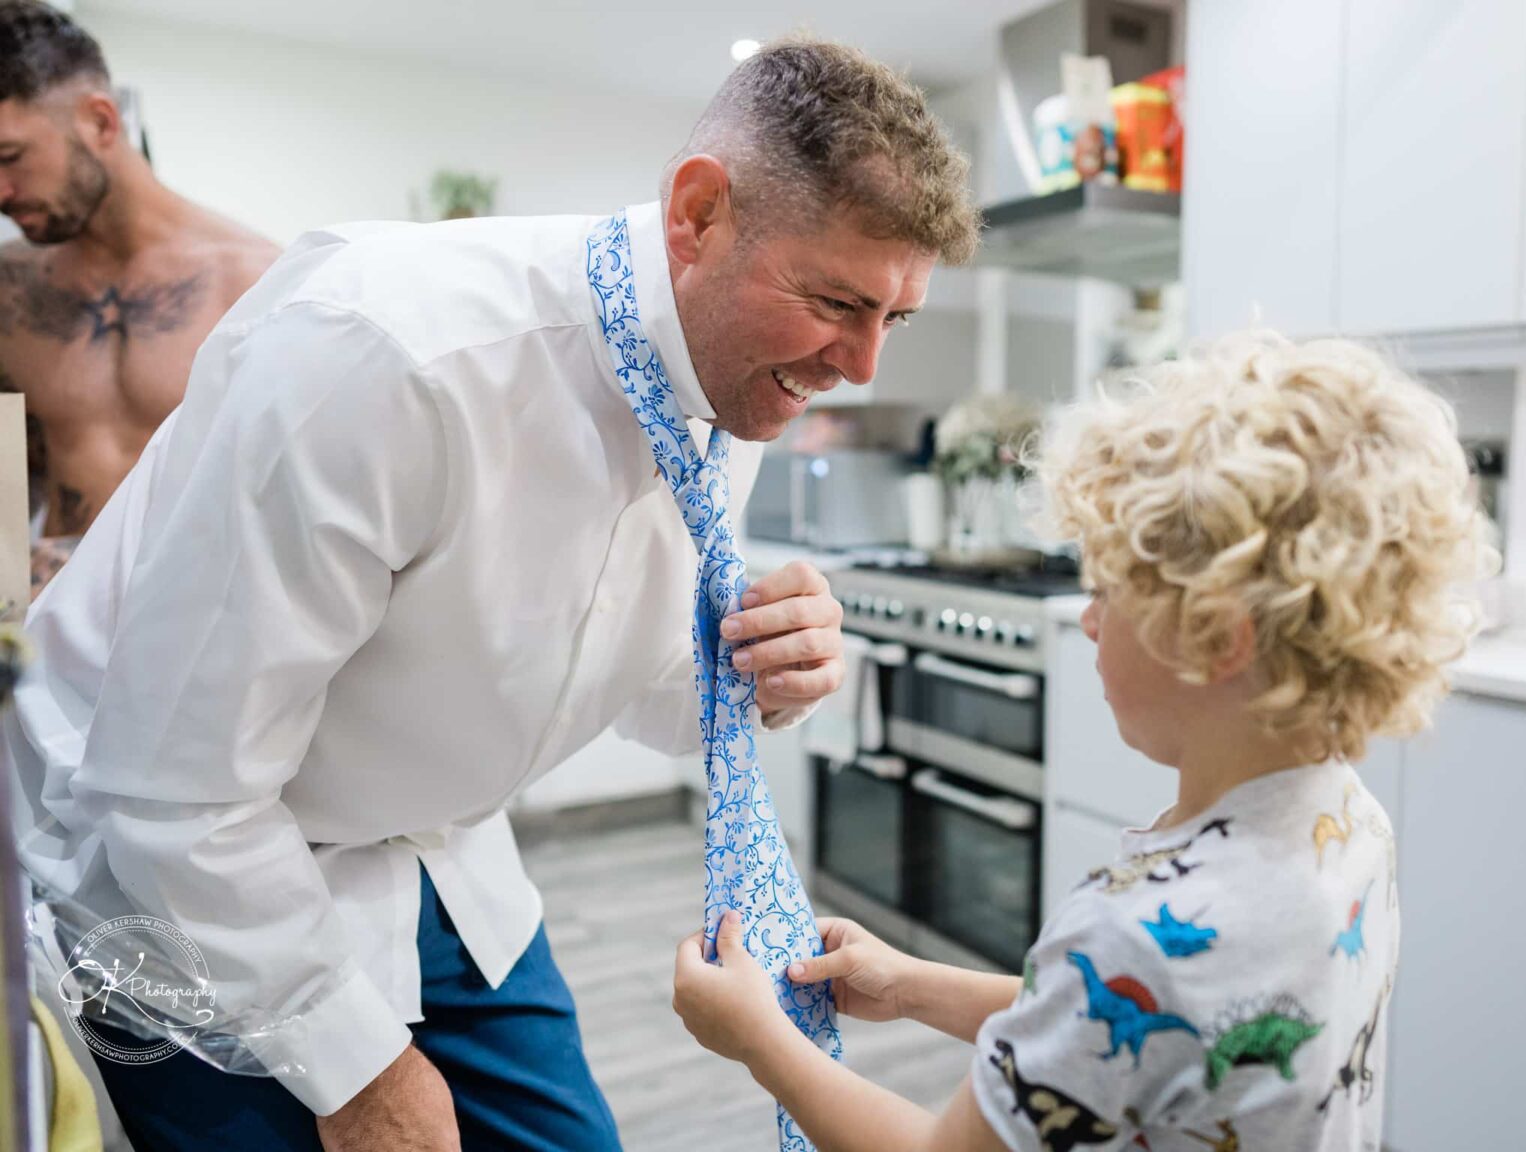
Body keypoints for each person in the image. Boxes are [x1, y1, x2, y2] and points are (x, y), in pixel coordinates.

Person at [2, 35, 981, 1152]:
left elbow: (611, 674)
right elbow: (165, 794)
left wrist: (750, 673)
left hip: (436, 858)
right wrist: (362, 1075)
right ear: (699, 215)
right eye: (836, 302)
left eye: (891, 320)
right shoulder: (383, 357)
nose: (860, 368)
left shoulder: (729, 377)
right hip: (177, 880)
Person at [674, 331, 1496, 1150]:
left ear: (1219, 636)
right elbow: (1156, 1027)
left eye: (1107, 587)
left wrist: (763, 1042)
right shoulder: (1350, 828)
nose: (1090, 619)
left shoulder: (1138, 924)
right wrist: (912, 986)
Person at [0, 0, 278, 596]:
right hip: (41, 636)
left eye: (10, 157)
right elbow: (8, 475)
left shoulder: (259, 284)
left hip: (190, 639)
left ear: (100, 123)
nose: (0, 190)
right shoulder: (10, 291)